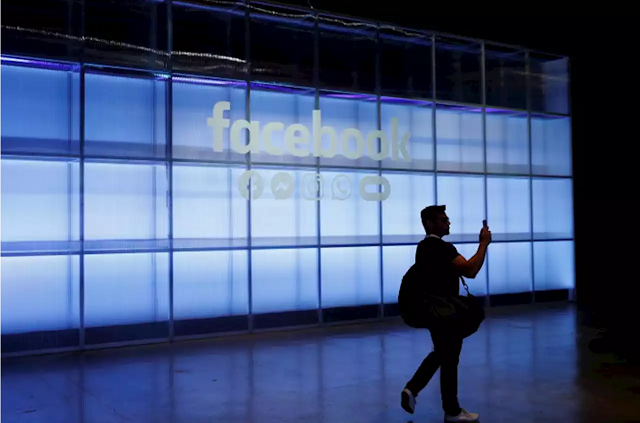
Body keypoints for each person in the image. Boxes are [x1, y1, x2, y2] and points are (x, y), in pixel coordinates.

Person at [400, 205, 491, 422]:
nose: (448, 222)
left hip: (433, 311)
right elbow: (471, 270)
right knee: (448, 354)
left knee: (446, 354)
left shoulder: (423, 248)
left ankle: (442, 404)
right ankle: (446, 407)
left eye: (447, 219)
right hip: (445, 313)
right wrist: (484, 243)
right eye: (442, 220)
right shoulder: (441, 247)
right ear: (430, 224)